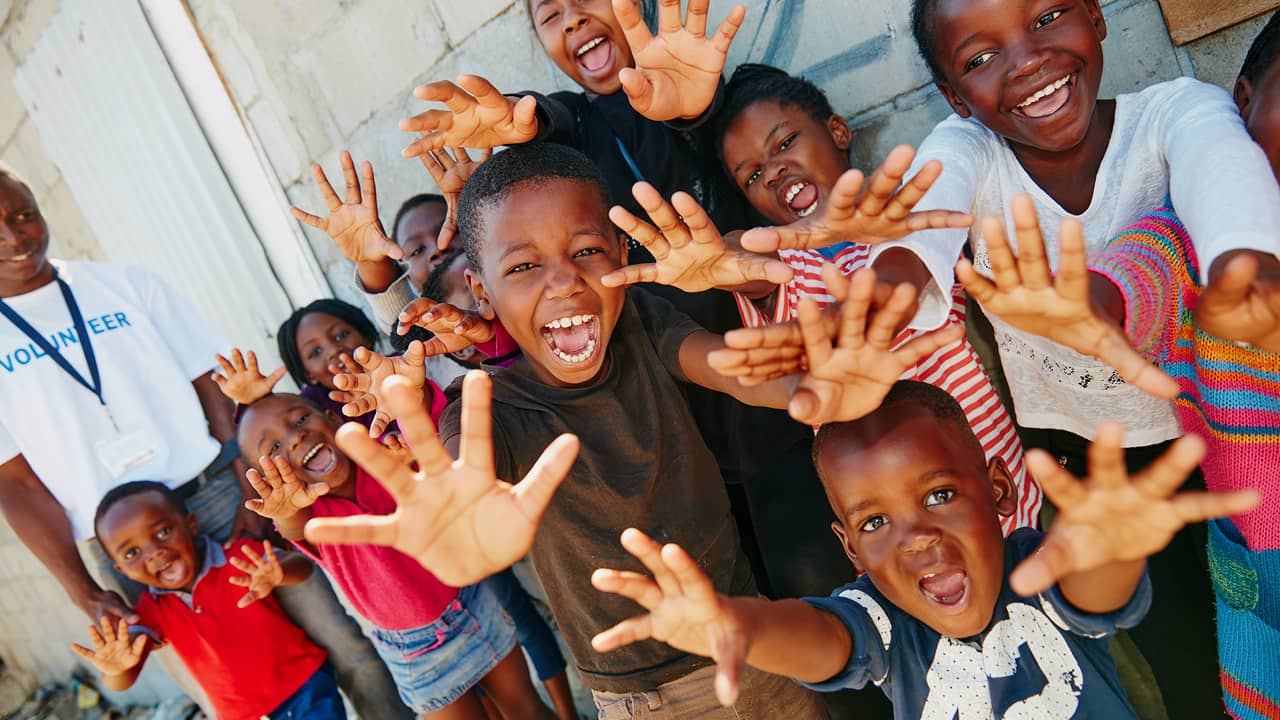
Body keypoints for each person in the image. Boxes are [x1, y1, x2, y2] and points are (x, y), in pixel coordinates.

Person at [297, 141, 963, 718]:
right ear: (480, 287)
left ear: (621, 252)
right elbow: (464, 477)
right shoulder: (484, 408)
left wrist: (805, 393)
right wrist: (466, 536)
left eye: (587, 251)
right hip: (637, 695)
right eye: (524, 266)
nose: (563, 283)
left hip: (749, 642)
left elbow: (727, 367)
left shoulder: (642, 321)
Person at [398, 1, 834, 601]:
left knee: (824, 592)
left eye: (587, 0)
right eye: (551, 15)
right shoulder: (573, 128)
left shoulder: (706, 98)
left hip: (768, 411)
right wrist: (525, 123)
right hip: (678, 440)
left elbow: (717, 132)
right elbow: (543, 121)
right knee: (746, 612)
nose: (574, 19)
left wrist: (696, 111)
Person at [587, 380, 1258, 719]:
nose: (916, 540)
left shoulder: (1035, 566)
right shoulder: (884, 624)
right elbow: (821, 639)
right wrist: (742, 625)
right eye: (875, 524)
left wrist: (1114, 548)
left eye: (939, 496)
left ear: (996, 489)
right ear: (849, 550)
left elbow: (1093, 588)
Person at [0, 166, 409, 718]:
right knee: (232, 689)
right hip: (129, 546)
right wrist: (84, 590)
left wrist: (249, 479)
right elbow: (17, 485)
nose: (15, 237)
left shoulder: (122, 285)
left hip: (218, 492)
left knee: (344, 640)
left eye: (23, 215)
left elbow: (210, 382)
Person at [955, 198, 1280, 718]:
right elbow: (1140, 269)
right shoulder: (1199, 233)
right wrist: (1097, 304)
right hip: (1260, 581)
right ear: (1240, 110)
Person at [705, 62, 1038, 534]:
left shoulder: (907, 212)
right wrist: (716, 257)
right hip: (887, 516)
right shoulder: (783, 267)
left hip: (990, 463)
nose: (774, 169)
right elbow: (738, 254)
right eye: (753, 176)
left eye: (784, 143)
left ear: (838, 130)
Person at [237, 392, 558, 720]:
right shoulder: (311, 518)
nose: (295, 437)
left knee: (526, 709)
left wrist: (410, 456)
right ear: (269, 483)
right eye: (272, 448)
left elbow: (429, 446)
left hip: (471, 605)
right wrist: (283, 525)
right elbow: (292, 527)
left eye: (301, 419)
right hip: (415, 653)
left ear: (334, 421)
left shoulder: (389, 462)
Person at [76, 481, 344, 720]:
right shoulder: (150, 611)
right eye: (132, 552)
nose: (154, 552)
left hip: (302, 686)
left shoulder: (235, 558)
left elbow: (304, 567)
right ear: (122, 570)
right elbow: (126, 674)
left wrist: (278, 573)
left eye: (162, 532)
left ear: (191, 525)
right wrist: (115, 670)